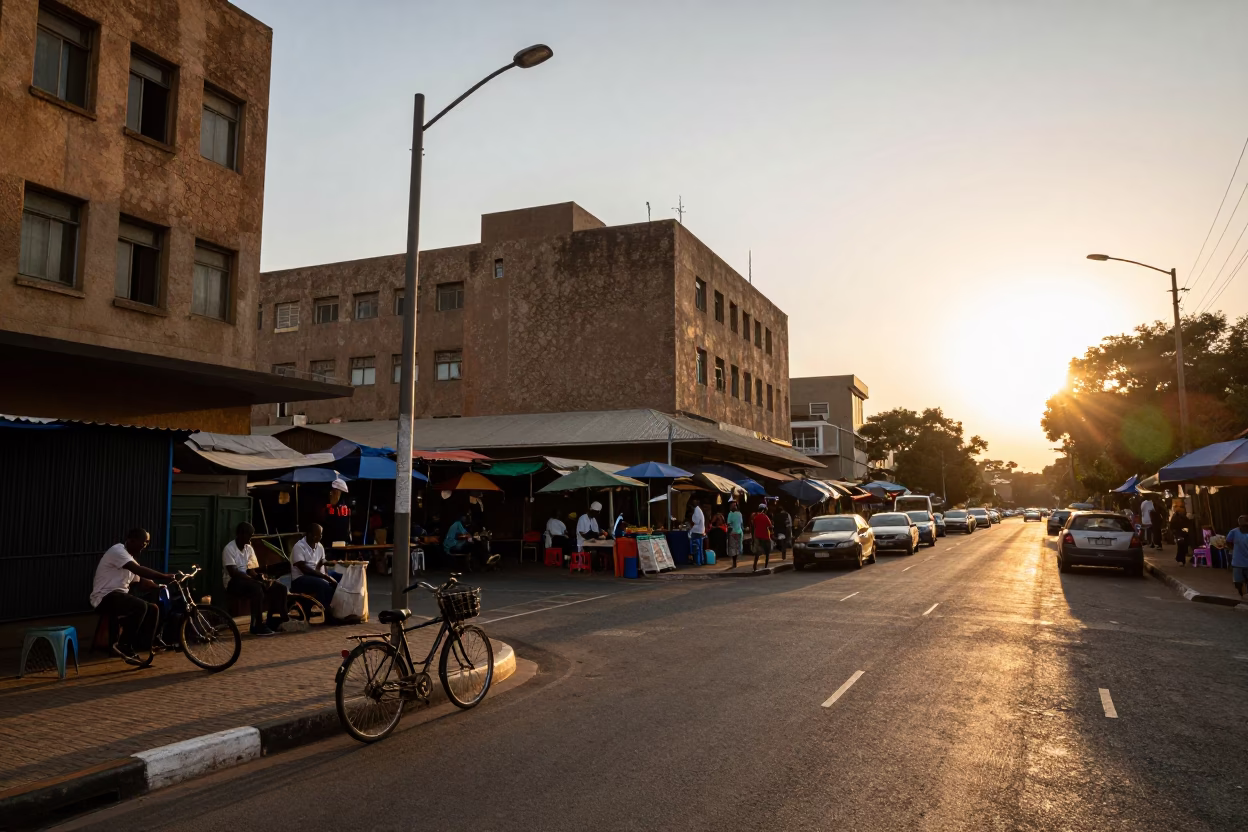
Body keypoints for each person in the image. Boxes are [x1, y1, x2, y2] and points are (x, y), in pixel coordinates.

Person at [90, 528, 176, 667]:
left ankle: (146, 644)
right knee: (140, 606)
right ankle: (123, 645)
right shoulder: (117, 551)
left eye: (147, 543)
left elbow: (140, 581)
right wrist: (164, 576)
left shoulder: (129, 559)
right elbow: (139, 570)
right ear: (131, 540)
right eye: (144, 542)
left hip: (119, 598)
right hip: (103, 598)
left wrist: (158, 586)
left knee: (153, 608)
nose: (145, 546)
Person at [223, 522, 287, 637]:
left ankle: (276, 621)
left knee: (279, 587)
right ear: (241, 534)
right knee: (256, 588)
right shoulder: (229, 549)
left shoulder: (249, 548)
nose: (251, 538)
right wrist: (254, 581)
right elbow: (233, 572)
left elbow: (251, 570)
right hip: (233, 582)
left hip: (247, 579)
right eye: (249, 535)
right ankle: (256, 625)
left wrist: (260, 577)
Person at [290, 524, 338, 610]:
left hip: (315, 574)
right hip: (300, 578)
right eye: (318, 535)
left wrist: (329, 563)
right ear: (310, 534)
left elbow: (322, 560)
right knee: (324, 584)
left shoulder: (319, 546)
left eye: (321, 534)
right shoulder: (299, 546)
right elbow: (304, 569)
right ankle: (326, 612)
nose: (320, 537)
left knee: (340, 577)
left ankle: (339, 609)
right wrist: (325, 577)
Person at [319, 479, 352, 546]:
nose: (331, 493)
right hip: (330, 541)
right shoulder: (328, 506)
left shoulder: (345, 506)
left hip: (341, 541)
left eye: (334, 491)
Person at [1224, 515, 1248, 603]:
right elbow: (1228, 541)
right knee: (1238, 581)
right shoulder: (1234, 532)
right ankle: (1240, 594)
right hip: (1238, 561)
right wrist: (1233, 549)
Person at [751, 503, 773, 572]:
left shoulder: (755, 517)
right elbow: (770, 526)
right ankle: (766, 566)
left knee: (757, 552)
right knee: (767, 552)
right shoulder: (765, 517)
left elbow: (754, 526)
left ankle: (755, 566)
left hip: (757, 536)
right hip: (765, 536)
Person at [726, 500, 744, 569]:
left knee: (733, 549)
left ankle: (734, 563)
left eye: (735, 505)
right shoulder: (739, 514)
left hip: (734, 533)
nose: (734, 506)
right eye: (733, 505)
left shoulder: (731, 514)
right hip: (738, 532)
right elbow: (741, 524)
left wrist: (728, 534)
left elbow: (729, 524)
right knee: (736, 548)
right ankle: (735, 562)